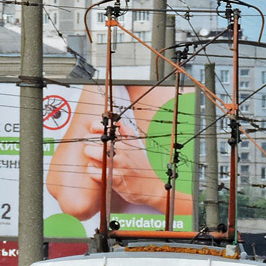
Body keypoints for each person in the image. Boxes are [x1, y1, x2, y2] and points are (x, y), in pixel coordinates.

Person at [45, 83, 193, 224]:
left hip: (185, 244)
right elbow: (77, 202)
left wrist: (154, 189)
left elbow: (210, 208)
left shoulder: (191, 93)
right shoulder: (109, 87)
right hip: (116, 242)